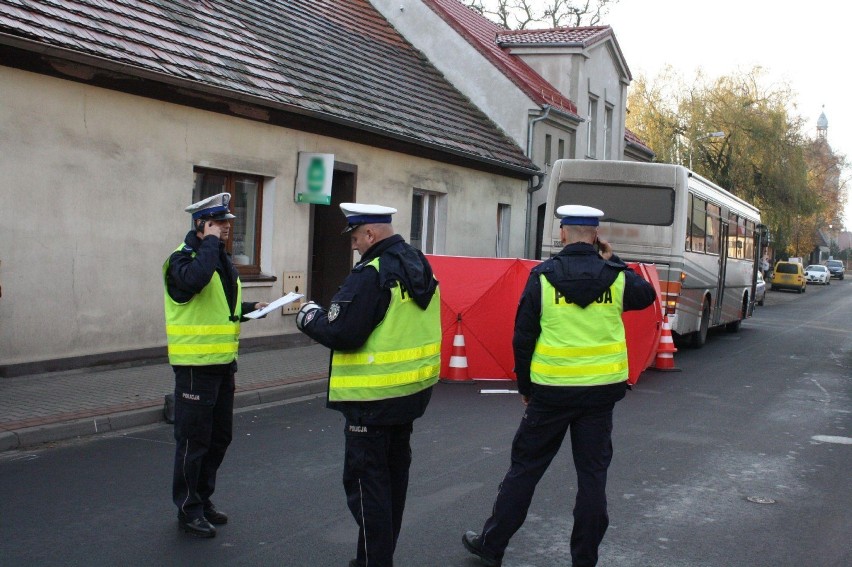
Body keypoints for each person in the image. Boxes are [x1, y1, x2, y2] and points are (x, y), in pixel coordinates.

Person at [462, 205, 656, 567]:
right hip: (599, 394)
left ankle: (492, 545)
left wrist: (525, 386)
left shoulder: (543, 276)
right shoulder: (615, 275)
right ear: (596, 236)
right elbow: (646, 296)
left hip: (550, 392)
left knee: (525, 469)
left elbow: (523, 336)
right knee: (592, 477)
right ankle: (584, 559)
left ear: (563, 233)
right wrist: (617, 260)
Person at [295, 202, 441, 567]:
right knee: (391, 486)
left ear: (371, 234)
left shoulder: (371, 273)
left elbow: (343, 332)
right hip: (407, 396)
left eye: (357, 237)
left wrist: (308, 316)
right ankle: (370, 559)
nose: (356, 245)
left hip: (370, 401)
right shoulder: (418, 263)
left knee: (366, 490)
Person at [163, 192, 268, 538]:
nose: (226, 228)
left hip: (223, 365)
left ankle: (202, 498)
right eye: (219, 222)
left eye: (227, 223)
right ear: (202, 224)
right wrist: (207, 243)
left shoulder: (220, 261)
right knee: (194, 442)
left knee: (219, 438)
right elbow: (194, 282)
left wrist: (253, 307)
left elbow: (220, 307)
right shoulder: (181, 261)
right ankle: (187, 508)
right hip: (194, 366)